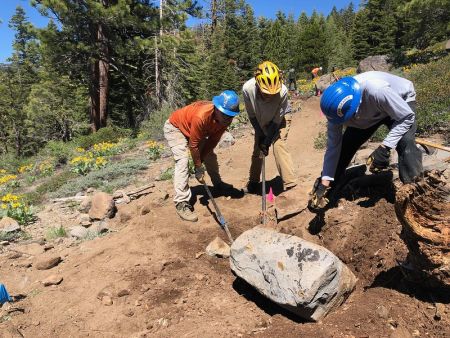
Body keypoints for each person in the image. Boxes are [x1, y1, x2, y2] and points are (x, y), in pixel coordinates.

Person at [308, 71, 423, 211]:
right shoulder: (335, 110)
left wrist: (385, 147)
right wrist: (325, 180)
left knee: (406, 144)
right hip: (369, 111)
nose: (345, 123)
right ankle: (327, 194)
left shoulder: (377, 90)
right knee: (345, 148)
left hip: (399, 103)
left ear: (355, 108)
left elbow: (406, 117)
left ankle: (416, 197)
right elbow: (333, 147)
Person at [164, 90, 240, 222]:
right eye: (225, 115)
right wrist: (198, 167)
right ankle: (181, 202)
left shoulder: (224, 120)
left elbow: (212, 141)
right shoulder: (202, 116)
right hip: (175, 128)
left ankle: (218, 183)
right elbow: (193, 146)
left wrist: (202, 160)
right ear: (217, 109)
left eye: (230, 116)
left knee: (210, 155)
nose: (228, 119)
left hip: (193, 130)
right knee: (183, 161)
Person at [242, 61, 297, 193]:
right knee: (258, 149)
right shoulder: (247, 89)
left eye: (272, 93)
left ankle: (290, 184)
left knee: (278, 145)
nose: (269, 96)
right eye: (266, 93)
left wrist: (267, 141)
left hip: (279, 120)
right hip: (260, 120)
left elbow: (277, 121)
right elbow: (252, 116)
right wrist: (261, 136)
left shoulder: (282, 91)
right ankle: (254, 181)